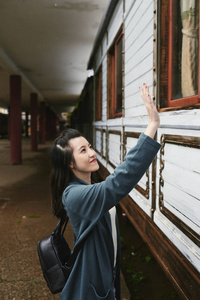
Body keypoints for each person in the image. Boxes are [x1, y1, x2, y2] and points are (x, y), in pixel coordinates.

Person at [50, 83, 161, 300]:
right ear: (70, 164)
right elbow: (117, 183)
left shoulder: (88, 186)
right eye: (83, 150)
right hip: (91, 289)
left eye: (90, 146)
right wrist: (153, 124)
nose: (92, 153)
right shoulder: (73, 195)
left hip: (105, 280)